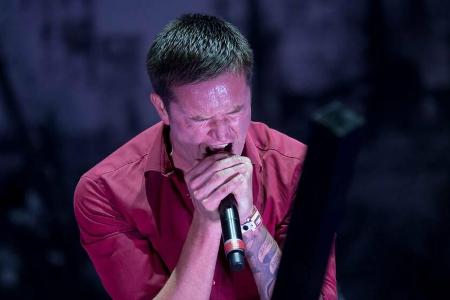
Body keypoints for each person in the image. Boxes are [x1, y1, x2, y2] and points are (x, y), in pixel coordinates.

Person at [74, 13, 337, 300]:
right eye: (201, 119)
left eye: (235, 112)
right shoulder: (105, 192)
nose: (222, 134)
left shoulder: (295, 167)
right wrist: (207, 221)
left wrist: (249, 220)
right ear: (162, 109)